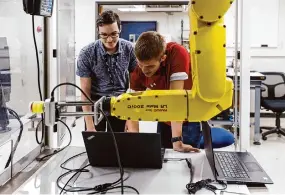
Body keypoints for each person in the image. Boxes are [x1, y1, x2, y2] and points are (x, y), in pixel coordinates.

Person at [127, 31, 201, 153]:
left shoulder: (177, 53)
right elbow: (131, 105)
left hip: (187, 118)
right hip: (164, 116)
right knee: (162, 158)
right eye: (141, 65)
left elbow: (176, 99)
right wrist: (135, 140)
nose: (144, 70)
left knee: (185, 162)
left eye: (150, 66)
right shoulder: (137, 69)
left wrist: (177, 141)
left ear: (163, 58)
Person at [76, 10, 137, 132]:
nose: (109, 40)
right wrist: (90, 125)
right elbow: (85, 92)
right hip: (96, 105)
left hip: (122, 103)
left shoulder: (130, 49)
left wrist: (130, 120)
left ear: (120, 29)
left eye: (114, 34)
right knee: (96, 147)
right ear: (98, 32)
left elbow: (134, 86)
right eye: (104, 35)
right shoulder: (87, 53)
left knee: (120, 147)